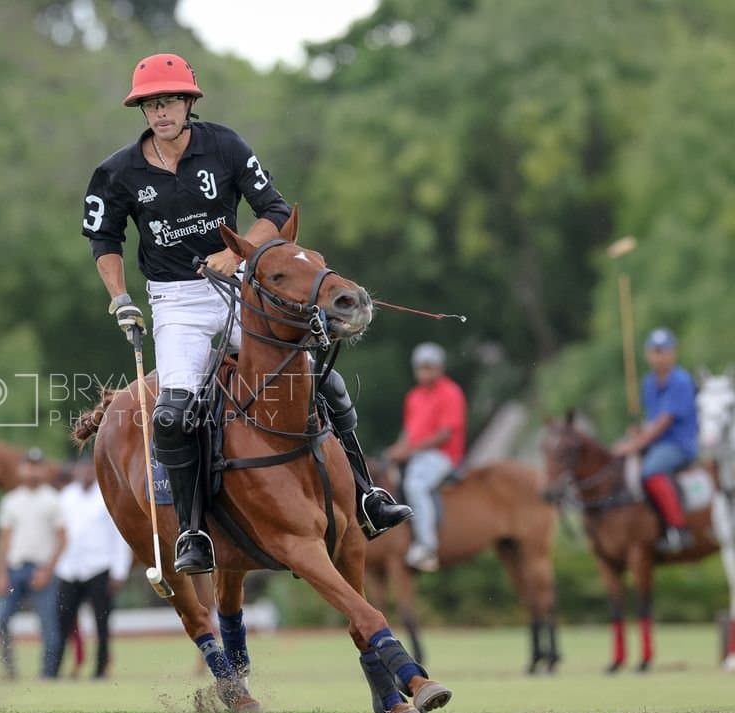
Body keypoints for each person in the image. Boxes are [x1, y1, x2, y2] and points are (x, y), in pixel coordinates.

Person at [82, 52, 410, 576]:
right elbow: (105, 238)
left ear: (189, 102)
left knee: (321, 381)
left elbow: (275, 212)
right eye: (150, 104)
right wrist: (120, 297)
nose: (159, 111)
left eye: (168, 101)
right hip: (175, 301)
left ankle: (367, 493)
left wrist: (238, 253)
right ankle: (193, 531)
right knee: (172, 413)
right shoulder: (118, 171)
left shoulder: (225, 145)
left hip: (240, 287)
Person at [613, 328, 699, 554]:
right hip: (657, 441)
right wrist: (639, 430)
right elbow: (653, 421)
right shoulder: (649, 383)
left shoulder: (681, 380)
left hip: (679, 444)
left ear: (673, 353)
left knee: (650, 470)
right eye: (655, 351)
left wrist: (635, 444)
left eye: (664, 350)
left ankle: (678, 528)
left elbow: (664, 422)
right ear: (648, 354)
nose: (659, 355)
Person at [385, 343, 468, 573]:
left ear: (439, 368)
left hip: (443, 455)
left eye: (429, 367)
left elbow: (445, 434)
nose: (425, 372)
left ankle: (427, 547)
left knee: (416, 485)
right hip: (417, 454)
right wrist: (396, 450)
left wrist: (409, 451)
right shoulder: (413, 397)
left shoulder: (450, 392)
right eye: (421, 368)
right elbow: (409, 433)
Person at [54, 456, 132, 679]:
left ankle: (100, 670)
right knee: (62, 623)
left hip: (100, 567)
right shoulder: (67, 496)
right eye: (82, 470)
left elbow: (119, 537)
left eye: (90, 470)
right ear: (76, 472)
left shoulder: (106, 496)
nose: (86, 473)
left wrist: (119, 571)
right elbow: (59, 533)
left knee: (102, 623)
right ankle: (53, 670)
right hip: (69, 568)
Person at [0, 449, 66, 679]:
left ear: (43, 469)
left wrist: (47, 570)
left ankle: (47, 674)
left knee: (48, 625)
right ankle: (9, 668)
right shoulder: (11, 500)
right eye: (29, 465)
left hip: (41, 570)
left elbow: (63, 539)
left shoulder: (52, 499)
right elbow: (4, 540)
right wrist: (1, 573)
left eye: (37, 466)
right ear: (21, 469)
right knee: (2, 617)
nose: (33, 471)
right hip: (15, 569)